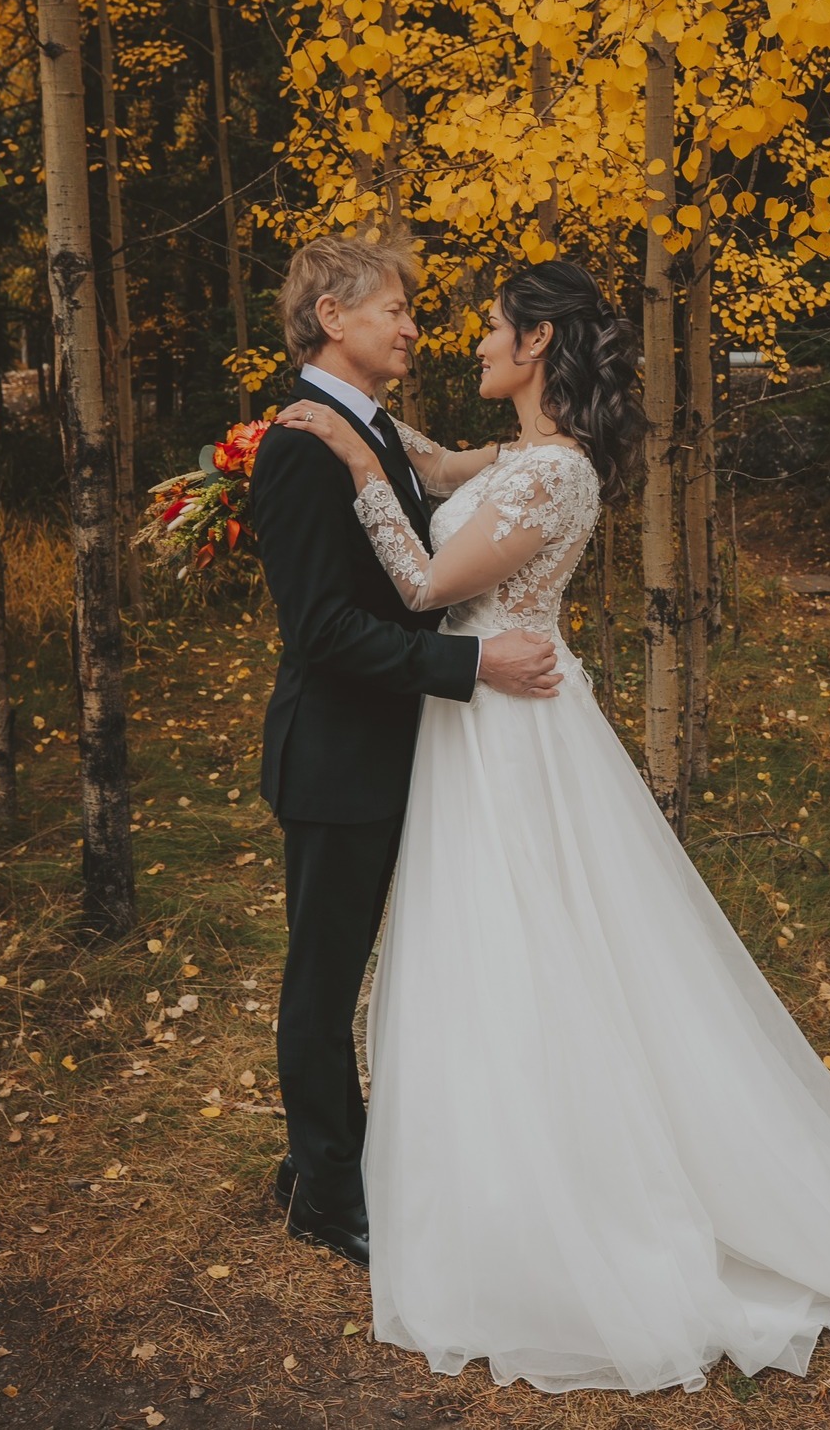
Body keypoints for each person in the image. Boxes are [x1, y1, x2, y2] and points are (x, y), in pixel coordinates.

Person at [273, 252, 830, 1395]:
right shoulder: (519, 456)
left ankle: (564, 1184)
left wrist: (353, 460)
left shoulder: (555, 475)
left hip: (509, 731)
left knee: (539, 949)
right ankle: (461, 1167)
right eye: (417, 312)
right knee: (490, 951)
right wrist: (365, 440)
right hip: (477, 721)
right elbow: (438, 463)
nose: (460, 335)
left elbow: (425, 580)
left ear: (536, 347)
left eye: (486, 326)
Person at [251, 230, 562, 1268]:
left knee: (351, 968)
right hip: (338, 753)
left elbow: (432, 487)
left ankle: (328, 1163)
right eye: (395, 308)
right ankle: (327, 1191)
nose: (414, 326)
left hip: (393, 747)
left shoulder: (368, 427)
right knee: (323, 978)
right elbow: (325, 631)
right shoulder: (300, 442)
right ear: (334, 317)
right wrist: (473, 670)